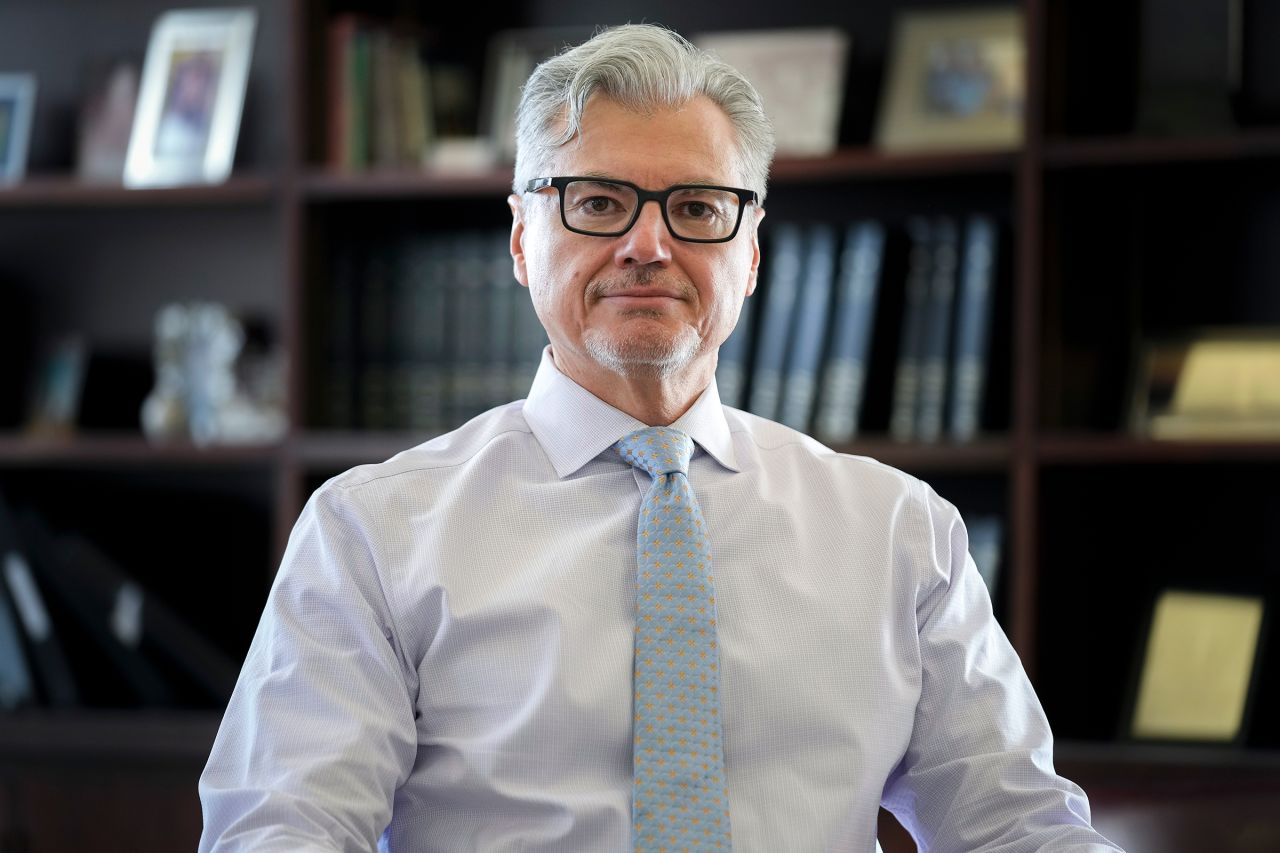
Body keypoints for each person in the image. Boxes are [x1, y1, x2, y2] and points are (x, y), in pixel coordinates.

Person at [199, 24, 1122, 852]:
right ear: (522, 238)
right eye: (598, 202)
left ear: (751, 252)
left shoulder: (897, 532)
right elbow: (283, 829)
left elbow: (1018, 826)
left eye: (697, 207)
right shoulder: (372, 533)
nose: (648, 245)